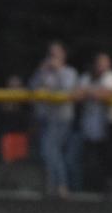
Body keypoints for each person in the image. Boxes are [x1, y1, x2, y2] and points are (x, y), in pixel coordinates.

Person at [73, 52, 112, 194]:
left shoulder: (111, 77)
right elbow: (76, 95)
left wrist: (89, 92)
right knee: (93, 158)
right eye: (99, 63)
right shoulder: (88, 77)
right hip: (93, 125)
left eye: (104, 63)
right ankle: (94, 187)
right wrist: (93, 92)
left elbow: (106, 95)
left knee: (111, 158)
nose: (101, 66)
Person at [30, 42, 77, 198]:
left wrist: (57, 70)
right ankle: (53, 186)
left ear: (63, 56)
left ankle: (62, 185)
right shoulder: (44, 72)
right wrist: (41, 71)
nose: (52, 58)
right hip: (45, 119)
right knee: (49, 152)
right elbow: (32, 87)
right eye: (51, 54)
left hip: (62, 119)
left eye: (56, 54)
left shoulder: (69, 72)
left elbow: (67, 89)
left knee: (51, 151)